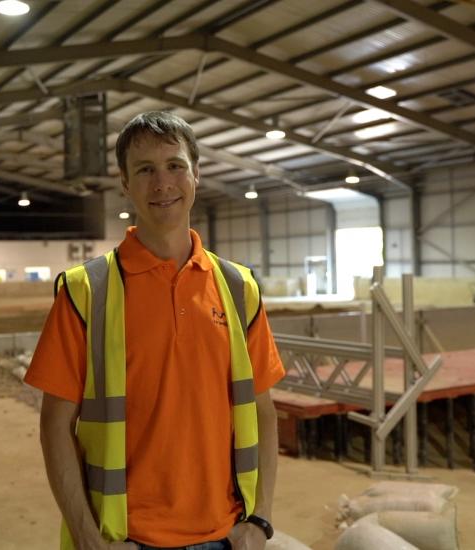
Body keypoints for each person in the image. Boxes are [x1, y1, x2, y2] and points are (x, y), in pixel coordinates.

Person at [25, 111, 285, 550]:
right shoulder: (86, 291)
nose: (162, 183)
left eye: (174, 165)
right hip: (125, 538)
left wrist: (259, 520)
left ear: (196, 174)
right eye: (145, 170)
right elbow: (54, 425)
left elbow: (263, 411)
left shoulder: (238, 288)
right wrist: (89, 539)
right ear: (125, 183)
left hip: (226, 536)